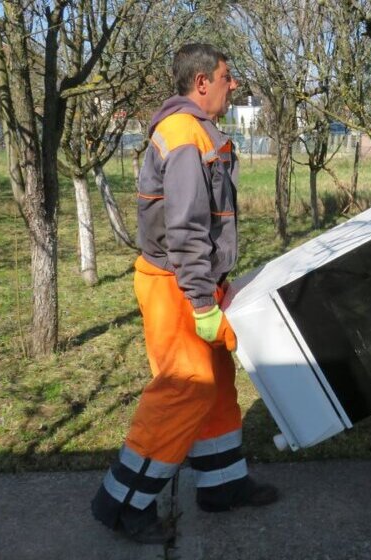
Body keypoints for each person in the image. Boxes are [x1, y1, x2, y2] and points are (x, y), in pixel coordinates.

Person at [91, 43, 278, 544]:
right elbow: (186, 229)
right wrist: (201, 300)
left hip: (194, 283)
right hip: (175, 287)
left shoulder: (197, 132)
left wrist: (216, 284)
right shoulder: (182, 134)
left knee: (216, 388)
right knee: (182, 390)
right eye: (226, 76)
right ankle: (123, 504)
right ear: (201, 82)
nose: (232, 84)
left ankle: (222, 486)